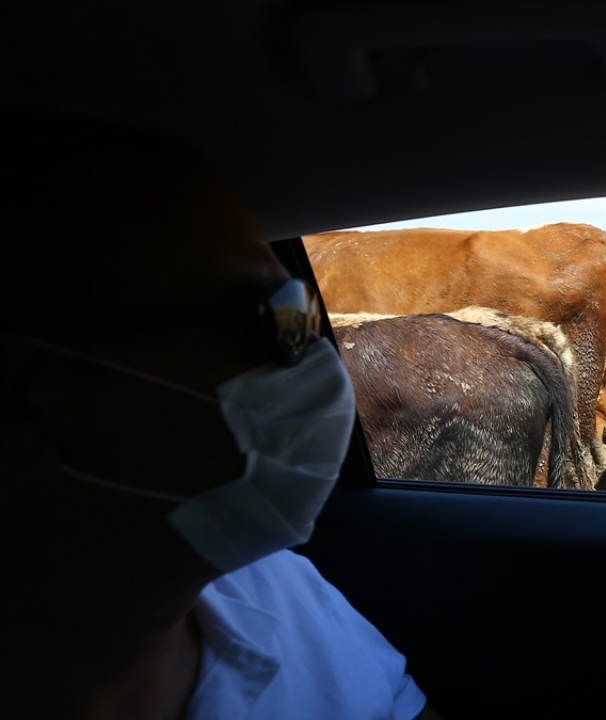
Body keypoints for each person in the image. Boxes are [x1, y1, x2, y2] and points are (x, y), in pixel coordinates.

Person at [0, 115, 442, 719]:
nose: (321, 358)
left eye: (306, 313)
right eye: (271, 316)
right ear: (21, 397)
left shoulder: (277, 584)